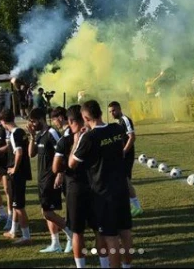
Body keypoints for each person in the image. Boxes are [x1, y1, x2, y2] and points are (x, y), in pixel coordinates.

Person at [69, 100, 133, 269]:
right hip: (121, 189)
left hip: (104, 193)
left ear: (85, 118)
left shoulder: (88, 137)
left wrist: (77, 140)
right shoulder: (116, 128)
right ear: (101, 113)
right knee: (125, 231)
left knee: (110, 236)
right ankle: (127, 266)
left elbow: (72, 164)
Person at [53, 105, 107, 269]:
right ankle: (104, 265)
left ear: (70, 121)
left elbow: (56, 167)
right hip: (96, 187)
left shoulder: (65, 141)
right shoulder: (95, 136)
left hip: (75, 189)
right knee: (99, 230)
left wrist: (61, 170)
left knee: (78, 232)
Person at [27, 107, 73, 254]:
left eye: (34, 121)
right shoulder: (39, 135)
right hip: (41, 179)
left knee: (47, 212)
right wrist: (32, 136)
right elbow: (31, 154)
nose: (32, 124)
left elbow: (63, 152)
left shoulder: (52, 133)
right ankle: (55, 243)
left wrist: (60, 173)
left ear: (41, 119)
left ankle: (71, 233)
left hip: (51, 179)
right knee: (46, 211)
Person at [0, 108, 32, 245]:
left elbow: (19, 152)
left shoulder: (14, 134)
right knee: (15, 203)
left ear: (3, 121)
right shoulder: (21, 131)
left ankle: (26, 236)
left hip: (17, 174)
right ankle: (13, 230)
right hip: (22, 173)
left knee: (19, 206)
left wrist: (14, 168)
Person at [108, 101, 143, 218]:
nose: (112, 113)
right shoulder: (118, 122)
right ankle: (130, 206)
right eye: (110, 111)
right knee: (122, 181)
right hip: (121, 155)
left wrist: (124, 151)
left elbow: (132, 137)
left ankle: (136, 207)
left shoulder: (125, 120)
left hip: (126, 156)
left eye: (113, 110)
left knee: (125, 181)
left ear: (119, 109)